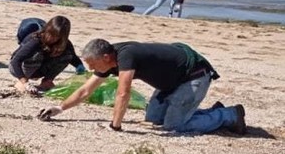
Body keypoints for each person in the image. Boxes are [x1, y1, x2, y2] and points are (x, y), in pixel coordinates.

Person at [38, 39, 246, 135]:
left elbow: (123, 92)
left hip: (194, 76)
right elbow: (85, 90)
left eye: (93, 64)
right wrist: (60, 108)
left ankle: (229, 115)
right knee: (153, 119)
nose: (91, 68)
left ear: (106, 57)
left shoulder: (126, 56)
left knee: (174, 127)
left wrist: (116, 126)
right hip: (170, 82)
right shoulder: (108, 62)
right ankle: (211, 112)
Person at [9, 16, 86, 94]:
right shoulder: (36, 40)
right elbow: (15, 61)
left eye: (56, 36)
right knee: (37, 54)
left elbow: (72, 57)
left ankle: (47, 81)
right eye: (50, 33)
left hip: (39, 69)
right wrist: (24, 82)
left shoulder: (65, 44)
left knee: (67, 56)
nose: (50, 38)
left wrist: (80, 66)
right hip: (19, 69)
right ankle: (21, 82)